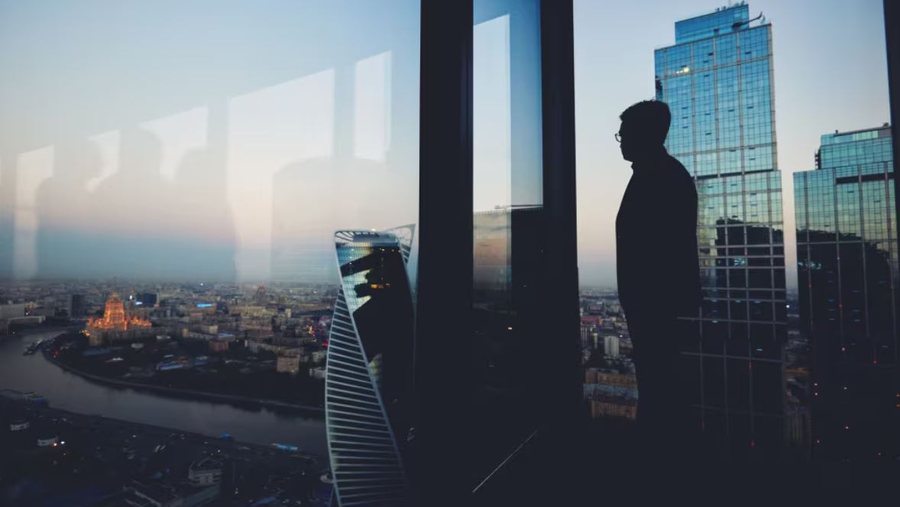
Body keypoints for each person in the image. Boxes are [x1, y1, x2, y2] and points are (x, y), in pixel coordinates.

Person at [614, 100, 701, 467]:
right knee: (658, 387)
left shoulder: (660, 177)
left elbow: (659, 251)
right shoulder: (660, 173)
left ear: (645, 134)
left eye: (624, 134)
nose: (620, 141)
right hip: (657, 306)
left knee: (660, 389)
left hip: (658, 308)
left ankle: (657, 463)